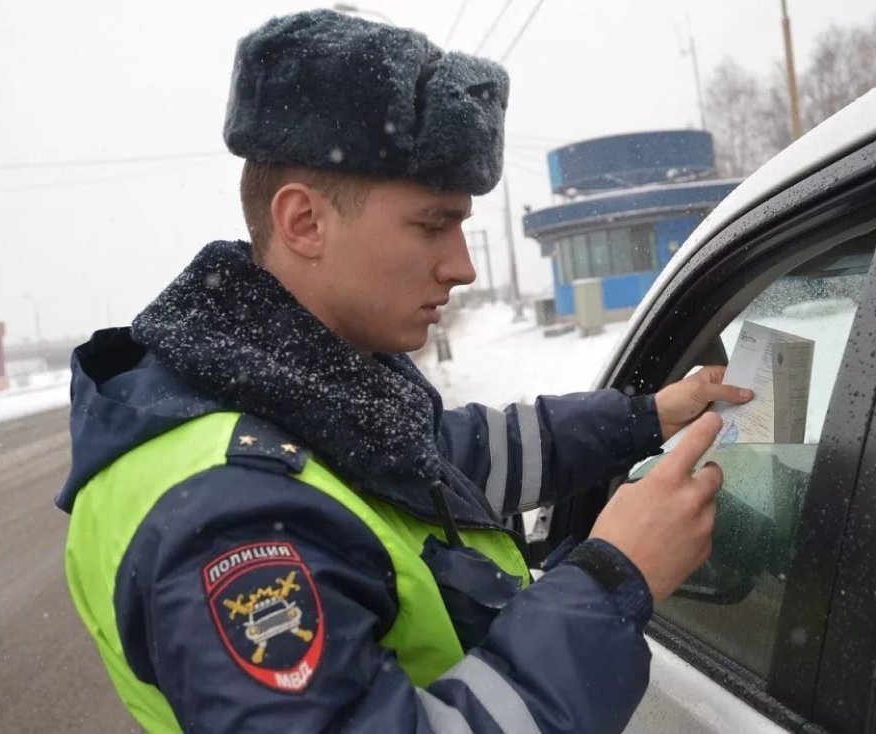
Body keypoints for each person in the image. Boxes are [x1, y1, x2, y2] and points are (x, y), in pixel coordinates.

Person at [58, 10, 752, 733]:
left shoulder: (297, 401)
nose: (461, 265)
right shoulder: (230, 523)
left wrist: (641, 420)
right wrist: (613, 579)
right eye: (431, 225)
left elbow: (447, 459)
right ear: (303, 223)